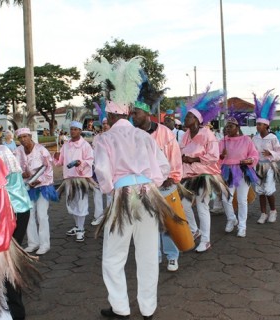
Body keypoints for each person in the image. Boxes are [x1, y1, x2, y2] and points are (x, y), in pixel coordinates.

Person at [86, 56, 172, 320]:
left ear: (112, 114)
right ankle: (148, 309)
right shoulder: (144, 136)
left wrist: (112, 188)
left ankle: (121, 308)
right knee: (147, 254)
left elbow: (102, 172)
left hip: (123, 195)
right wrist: (148, 184)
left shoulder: (105, 138)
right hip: (148, 194)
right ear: (127, 113)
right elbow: (163, 167)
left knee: (114, 255)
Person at [0, 105, 39, 320]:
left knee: (2, 278)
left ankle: (16, 311)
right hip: (8, 218)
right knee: (3, 276)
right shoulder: (0, 153)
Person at [132, 101, 183, 272]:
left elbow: (175, 156)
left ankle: (172, 256)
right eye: (132, 113)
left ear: (146, 114)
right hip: (144, 186)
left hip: (166, 184)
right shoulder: (133, 135)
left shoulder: (165, 133)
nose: (133, 117)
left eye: (136, 113)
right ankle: (155, 256)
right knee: (149, 222)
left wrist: (173, 177)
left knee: (168, 222)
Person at [180, 86, 229, 252]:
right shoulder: (185, 134)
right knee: (185, 205)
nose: (185, 119)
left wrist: (193, 158)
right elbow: (180, 151)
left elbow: (214, 156)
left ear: (197, 119)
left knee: (202, 206)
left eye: (189, 116)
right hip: (188, 176)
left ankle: (206, 240)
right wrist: (181, 157)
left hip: (204, 175)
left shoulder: (207, 134)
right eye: (186, 116)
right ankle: (194, 230)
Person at [14, 128, 58, 255]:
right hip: (27, 187)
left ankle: (45, 244)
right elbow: (13, 169)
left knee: (42, 215)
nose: (23, 140)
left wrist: (39, 180)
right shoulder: (17, 152)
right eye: (20, 138)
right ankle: (33, 243)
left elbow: (49, 169)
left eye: (25, 137)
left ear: (30, 136)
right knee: (29, 215)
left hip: (42, 186)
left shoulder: (41, 150)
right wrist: (22, 174)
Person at [54, 121, 94, 242]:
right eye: (71, 129)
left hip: (81, 179)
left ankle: (81, 229)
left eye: (76, 129)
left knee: (81, 203)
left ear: (80, 131)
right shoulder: (65, 145)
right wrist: (56, 157)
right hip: (69, 179)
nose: (73, 131)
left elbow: (90, 159)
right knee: (72, 204)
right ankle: (77, 226)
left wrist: (80, 163)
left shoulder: (85, 145)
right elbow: (60, 162)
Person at [219, 116, 259, 237]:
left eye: (230, 126)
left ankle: (242, 226)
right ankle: (231, 219)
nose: (228, 128)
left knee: (242, 200)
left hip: (243, 171)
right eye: (227, 126)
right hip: (227, 171)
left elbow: (254, 154)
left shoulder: (246, 140)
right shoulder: (223, 141)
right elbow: (216, 157)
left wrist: (249, 160)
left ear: (237, 128)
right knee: (225, 198)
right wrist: (221, 156)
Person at [252, 90, 280, 224]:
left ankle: (273, 210)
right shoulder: (255, 138)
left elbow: (279, 153)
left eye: (260, 124)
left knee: (269, 190)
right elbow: (252, 152)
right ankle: (263, 213)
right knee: (260, 191)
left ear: (266, 125)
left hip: (269, 166)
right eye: (257, 124)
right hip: (258, 166)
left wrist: (271, 153)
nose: (257, 126)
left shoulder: (273, 137)